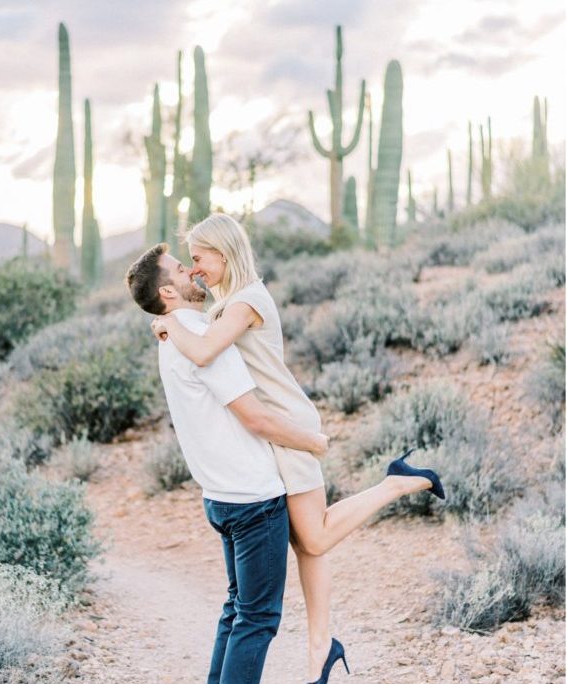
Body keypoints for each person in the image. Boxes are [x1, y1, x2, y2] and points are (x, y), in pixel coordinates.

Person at [149, 214, 445, 684]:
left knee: (315, 538)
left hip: (286, 426)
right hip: (271, 431)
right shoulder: (225, 304)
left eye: (200, 259)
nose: (197, 268)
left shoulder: (246, 301)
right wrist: (171, 324)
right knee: (307, 545)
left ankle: (397, 481)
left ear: (224, 253)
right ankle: (320, 649)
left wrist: (165, 324)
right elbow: (203, 346)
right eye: (191, 264)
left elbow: (203, 352)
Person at [125, 244, 335, 684]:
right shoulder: (199, 336)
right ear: (168, 290)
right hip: (253, 499)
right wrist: (312, 442)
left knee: (238, 610)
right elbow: (256, 418)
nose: (193, 272)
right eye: (183, 269)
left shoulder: (173, 334)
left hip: (220, 498)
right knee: (257, 620)